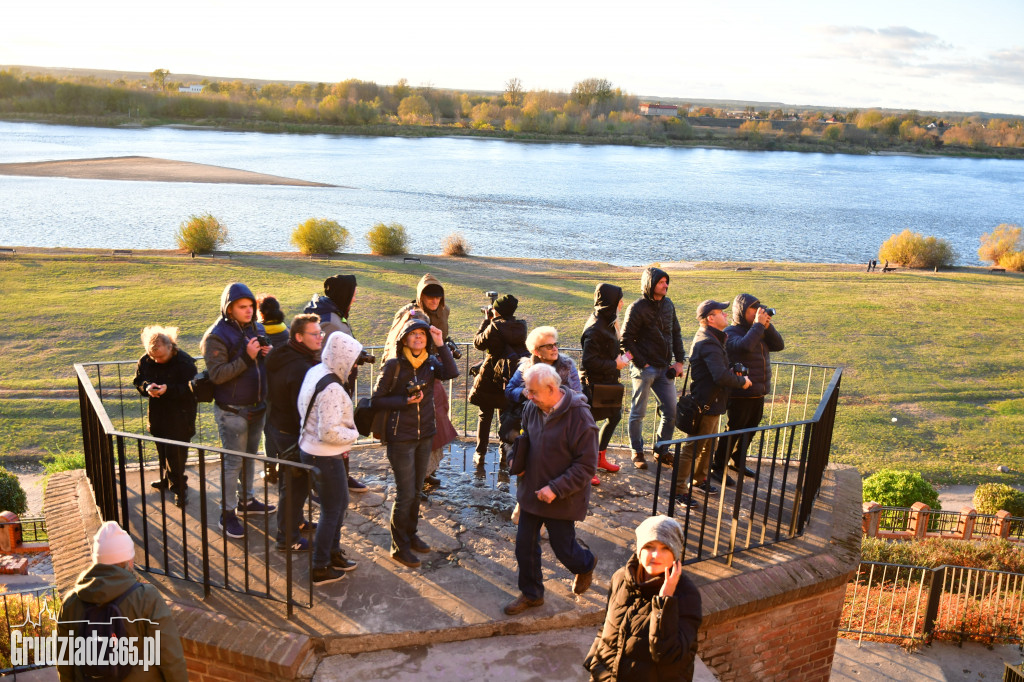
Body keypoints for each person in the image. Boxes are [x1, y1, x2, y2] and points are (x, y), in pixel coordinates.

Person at [504, 363, 599, 617]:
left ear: (552, 388)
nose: (528, 396)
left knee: (564, 550)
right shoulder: (531, 407)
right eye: (527, 391)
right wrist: (514, 460)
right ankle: (532, 594)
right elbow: (523, 440)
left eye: (533, 392)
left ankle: (587, 563)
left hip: (562, 497)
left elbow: (587, 465)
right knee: (524, 546)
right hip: (532, 491)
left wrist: (556, 488)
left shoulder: (580, 417)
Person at [372, 318, 459, 568]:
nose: (419, 338)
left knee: (416, 490)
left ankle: (410, 534)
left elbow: (452, 372)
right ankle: (399, 546)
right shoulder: (393, 366)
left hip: (425, 435)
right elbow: (377, 400)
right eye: (414, 334)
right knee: (405, 493)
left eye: (422, 334)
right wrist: (404, 401)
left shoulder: (431, 363)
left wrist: (441, 344)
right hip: (401, 438)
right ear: (404, 339)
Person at [57, 521, 188, 682]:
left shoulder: (71, 603)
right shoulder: (146, 598)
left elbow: (65, 664)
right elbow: (170, 657)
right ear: (128, 561)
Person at [584, 515, 702, 681]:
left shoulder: (686, 595)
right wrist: (594, 664)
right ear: (639, 551)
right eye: (649, 546)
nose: (656, 555)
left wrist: (664, 601)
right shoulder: (620, 578)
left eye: (665, 548)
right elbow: (607, 628)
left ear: (675, 553)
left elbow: (668, 656)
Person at [200, 282, 276, 540]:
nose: (248, 311)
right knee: (233, 463)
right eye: (242, 307)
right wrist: (247, 356)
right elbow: (218, 375)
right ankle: (228, 513)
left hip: (257, 406)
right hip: (232, 411)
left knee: (250, 457)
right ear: (228, 308)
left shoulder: (257, 328)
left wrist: (268, 353)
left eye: (251, 306)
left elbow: (262, 364)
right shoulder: (216, 336)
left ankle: (247, 501)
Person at [297, 330, 363, 585]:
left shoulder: (317, 371)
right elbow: (328, 431)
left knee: (339, 505)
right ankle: (320, 566)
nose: (356, 364)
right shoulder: (333, 388)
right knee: (332, 510)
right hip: (324, 456)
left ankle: (333, 554)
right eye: (353, 359)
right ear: (343, 357)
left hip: (315, 451)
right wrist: (352, 434)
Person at [382, 274, 458, 489]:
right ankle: (413, 481)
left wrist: (446, 345)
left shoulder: (444, 312)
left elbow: (441, 341)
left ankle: (426, 472)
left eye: (438, 297)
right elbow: (393, 340)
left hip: (432, 371)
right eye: (429, 296)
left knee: (436, 425)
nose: (434, 301)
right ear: (421, 295)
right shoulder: (409, 313)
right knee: (414, 427)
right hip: (410, 374)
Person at [675, 300, 751, 509]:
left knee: (709, 445)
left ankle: (699, 479)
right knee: (694, 447)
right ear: (710, 318)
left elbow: (718, 369)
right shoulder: (708, 341)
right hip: (706, 403)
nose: (726, 316)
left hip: (713, 402)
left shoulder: (712, 338)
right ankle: (679, 490)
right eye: (722, 313)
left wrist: (732, 370)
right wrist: (742, 382)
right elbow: (719, 376)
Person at [711, 294, 785, 487]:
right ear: (742, 311)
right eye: (754, 309)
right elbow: (742, 348)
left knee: (750, 427)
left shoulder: (759, 329)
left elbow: (779, 345)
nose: (759, 312)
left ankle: (737, 460)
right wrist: (758, 326)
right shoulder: (731, 331)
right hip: (740, 391)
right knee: (734, 430)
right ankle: (718, 467)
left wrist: (766, 326)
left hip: (758, 391)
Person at [303, 273, 367, 494]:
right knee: (335, 430)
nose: (355, 299)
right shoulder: (330, 320)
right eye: (353, 294)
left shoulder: (328, 311)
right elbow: (330, 356)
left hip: (331, 384)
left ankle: (340, 476)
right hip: (333, 387)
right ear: (344, 294)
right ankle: (335, 481)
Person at [505, 326, 593, 484]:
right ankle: (524, 500)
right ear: (537, 351)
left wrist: (560, 400)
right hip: (531, 423)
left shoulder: (567, 366)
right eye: (549, 346)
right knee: (528, 465)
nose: (555, 349)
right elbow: (510, 390)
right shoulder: (526, 367)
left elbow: (579, 395)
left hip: (561, 424)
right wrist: (523, 392)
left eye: (555, 344)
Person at [620, 266, 686, 470]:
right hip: (644, 370)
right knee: (638, 413)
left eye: (667, 281)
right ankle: (637, 451)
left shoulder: (669, 305)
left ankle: (661, 451)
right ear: (650, 284)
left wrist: (680, 361)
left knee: (671, 412)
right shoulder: (637, 307)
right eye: (661, 282)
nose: (666, 285)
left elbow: (676, 332)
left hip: (665, 369)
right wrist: (641, 363)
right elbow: (625, 340)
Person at [266, 313, 321, 551]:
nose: (320, 338)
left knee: (291, 483)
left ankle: (296, 523)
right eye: (315, 334)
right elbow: (302, 408)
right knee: (295, 485)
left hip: (278, 426)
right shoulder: (299, 367)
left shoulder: (282, 353)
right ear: (299, 337)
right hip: (292, 433)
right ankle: (287, 539)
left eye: (321, 333)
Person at [132, 326, 197, 509]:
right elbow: (138, 380)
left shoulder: (185, 363)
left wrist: (168, 389)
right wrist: (146, 388)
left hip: (181, 416)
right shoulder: (146, 360)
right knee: (162, 451)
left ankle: (179, 488)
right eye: (154, 357)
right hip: (158, 415)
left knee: (176, 454)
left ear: (171, 347)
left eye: (161, 357)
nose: (157, 360)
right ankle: (169, 480)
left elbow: (193, 389)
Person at [468, 294, 528, 467]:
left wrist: (486, 321)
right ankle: (504, 455)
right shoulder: (521, 327)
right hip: (508, 377)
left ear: (497, 310)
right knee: (505, 417)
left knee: (484, 416)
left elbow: (478, 342)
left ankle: (480, 453)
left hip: (489, 376)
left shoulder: (494, 326)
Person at [580, 283, 629, 477]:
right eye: (620, 301)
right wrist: (614, 364)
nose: (623, 304)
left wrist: (624, 355)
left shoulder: (607, 321)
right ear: (611, 303)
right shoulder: (595, 328)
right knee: (589, 426)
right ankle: (586, 466)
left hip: (607, 381)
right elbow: (588, 361)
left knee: (615, 416)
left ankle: (599, 459)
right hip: (594, 384)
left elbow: (608, 349)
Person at [257, 293, 289, 485]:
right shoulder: (287, 331)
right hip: (284, 388)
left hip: (266, 389)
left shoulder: (258, 333)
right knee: (283, 428)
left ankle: (270, 470)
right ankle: (284, 466)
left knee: (268, 430)